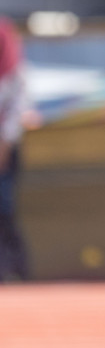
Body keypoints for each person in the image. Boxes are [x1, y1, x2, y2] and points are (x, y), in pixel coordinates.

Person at [0, 19, 29, 281]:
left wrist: (6, 141)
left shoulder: (3, 33)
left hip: (3, 145)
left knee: (4, 209)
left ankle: (15, 271)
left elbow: (16, 95)